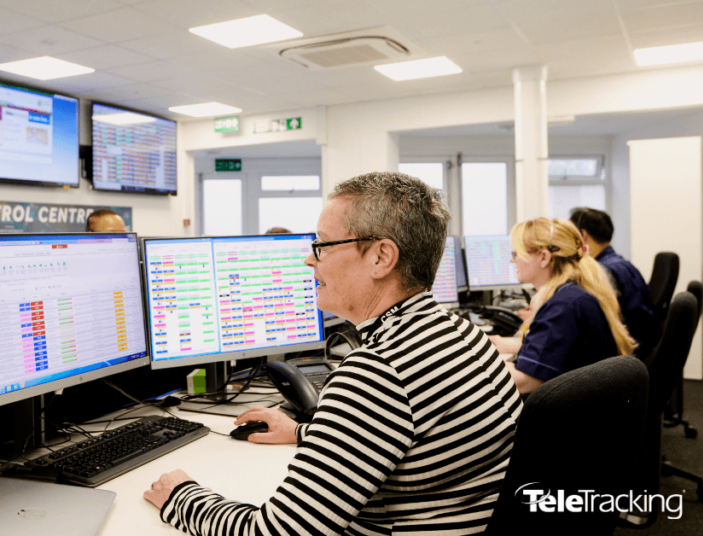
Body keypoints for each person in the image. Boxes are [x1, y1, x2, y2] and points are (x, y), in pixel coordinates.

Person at [144, 172, 522, 535]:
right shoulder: (460, 333)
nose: (310, 260)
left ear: (381, 257)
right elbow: (410, 437)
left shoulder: (379, 371)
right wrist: (304, 431)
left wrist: (181, 497)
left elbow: (279, 531)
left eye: (322, 245)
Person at [489, 218, 636, 395]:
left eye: (516, 254)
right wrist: (513, 348)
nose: (513, 261)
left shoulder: (562, 307)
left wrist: (480, 364)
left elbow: (525, 381)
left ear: (544, 257)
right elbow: (561, 353)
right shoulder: (572, 294)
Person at [570, 207, 660, 358]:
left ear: (583, 235)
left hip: (629, 353)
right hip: (643, 345)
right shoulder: (622, 264)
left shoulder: (602, 273)